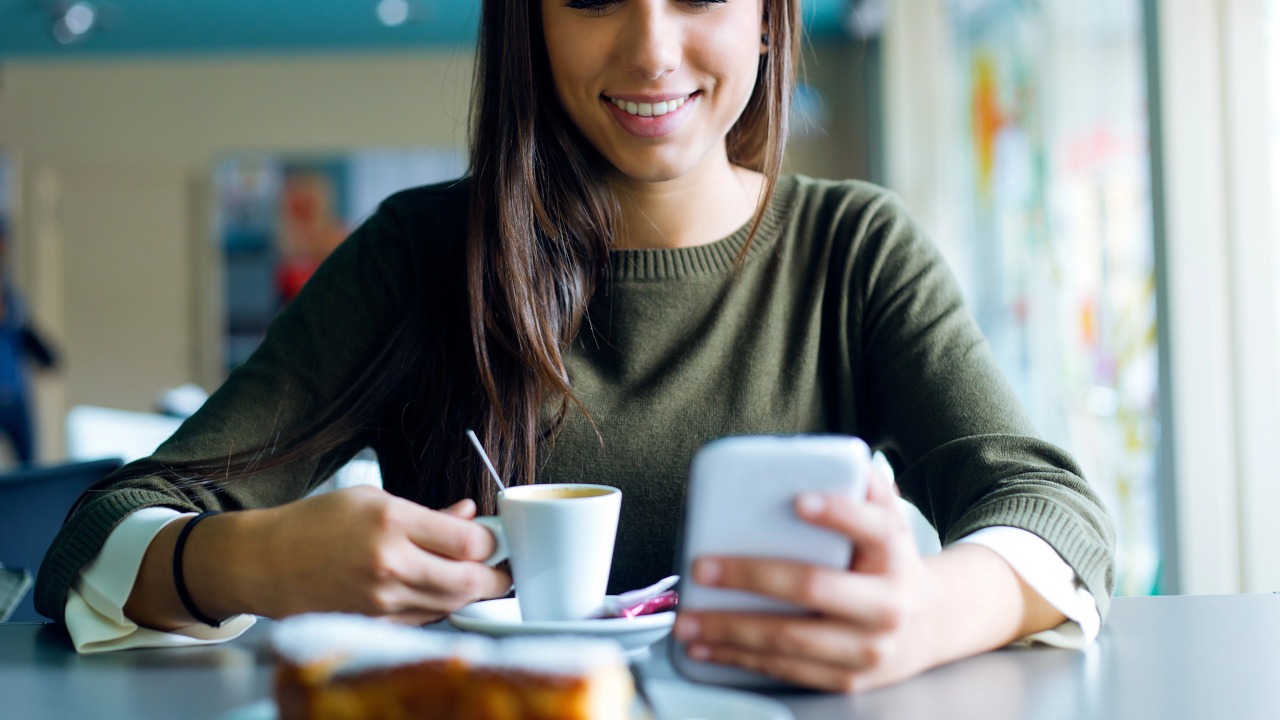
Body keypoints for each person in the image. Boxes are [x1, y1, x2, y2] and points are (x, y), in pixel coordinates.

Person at [36, 0, 1114, 692]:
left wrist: (920, 613)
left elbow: (1049, 513)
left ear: (767, 22)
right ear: (529, 26)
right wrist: (263, 561)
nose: (650, 48)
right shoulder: (418, 257)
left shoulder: (852, 250)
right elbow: (98, 535)